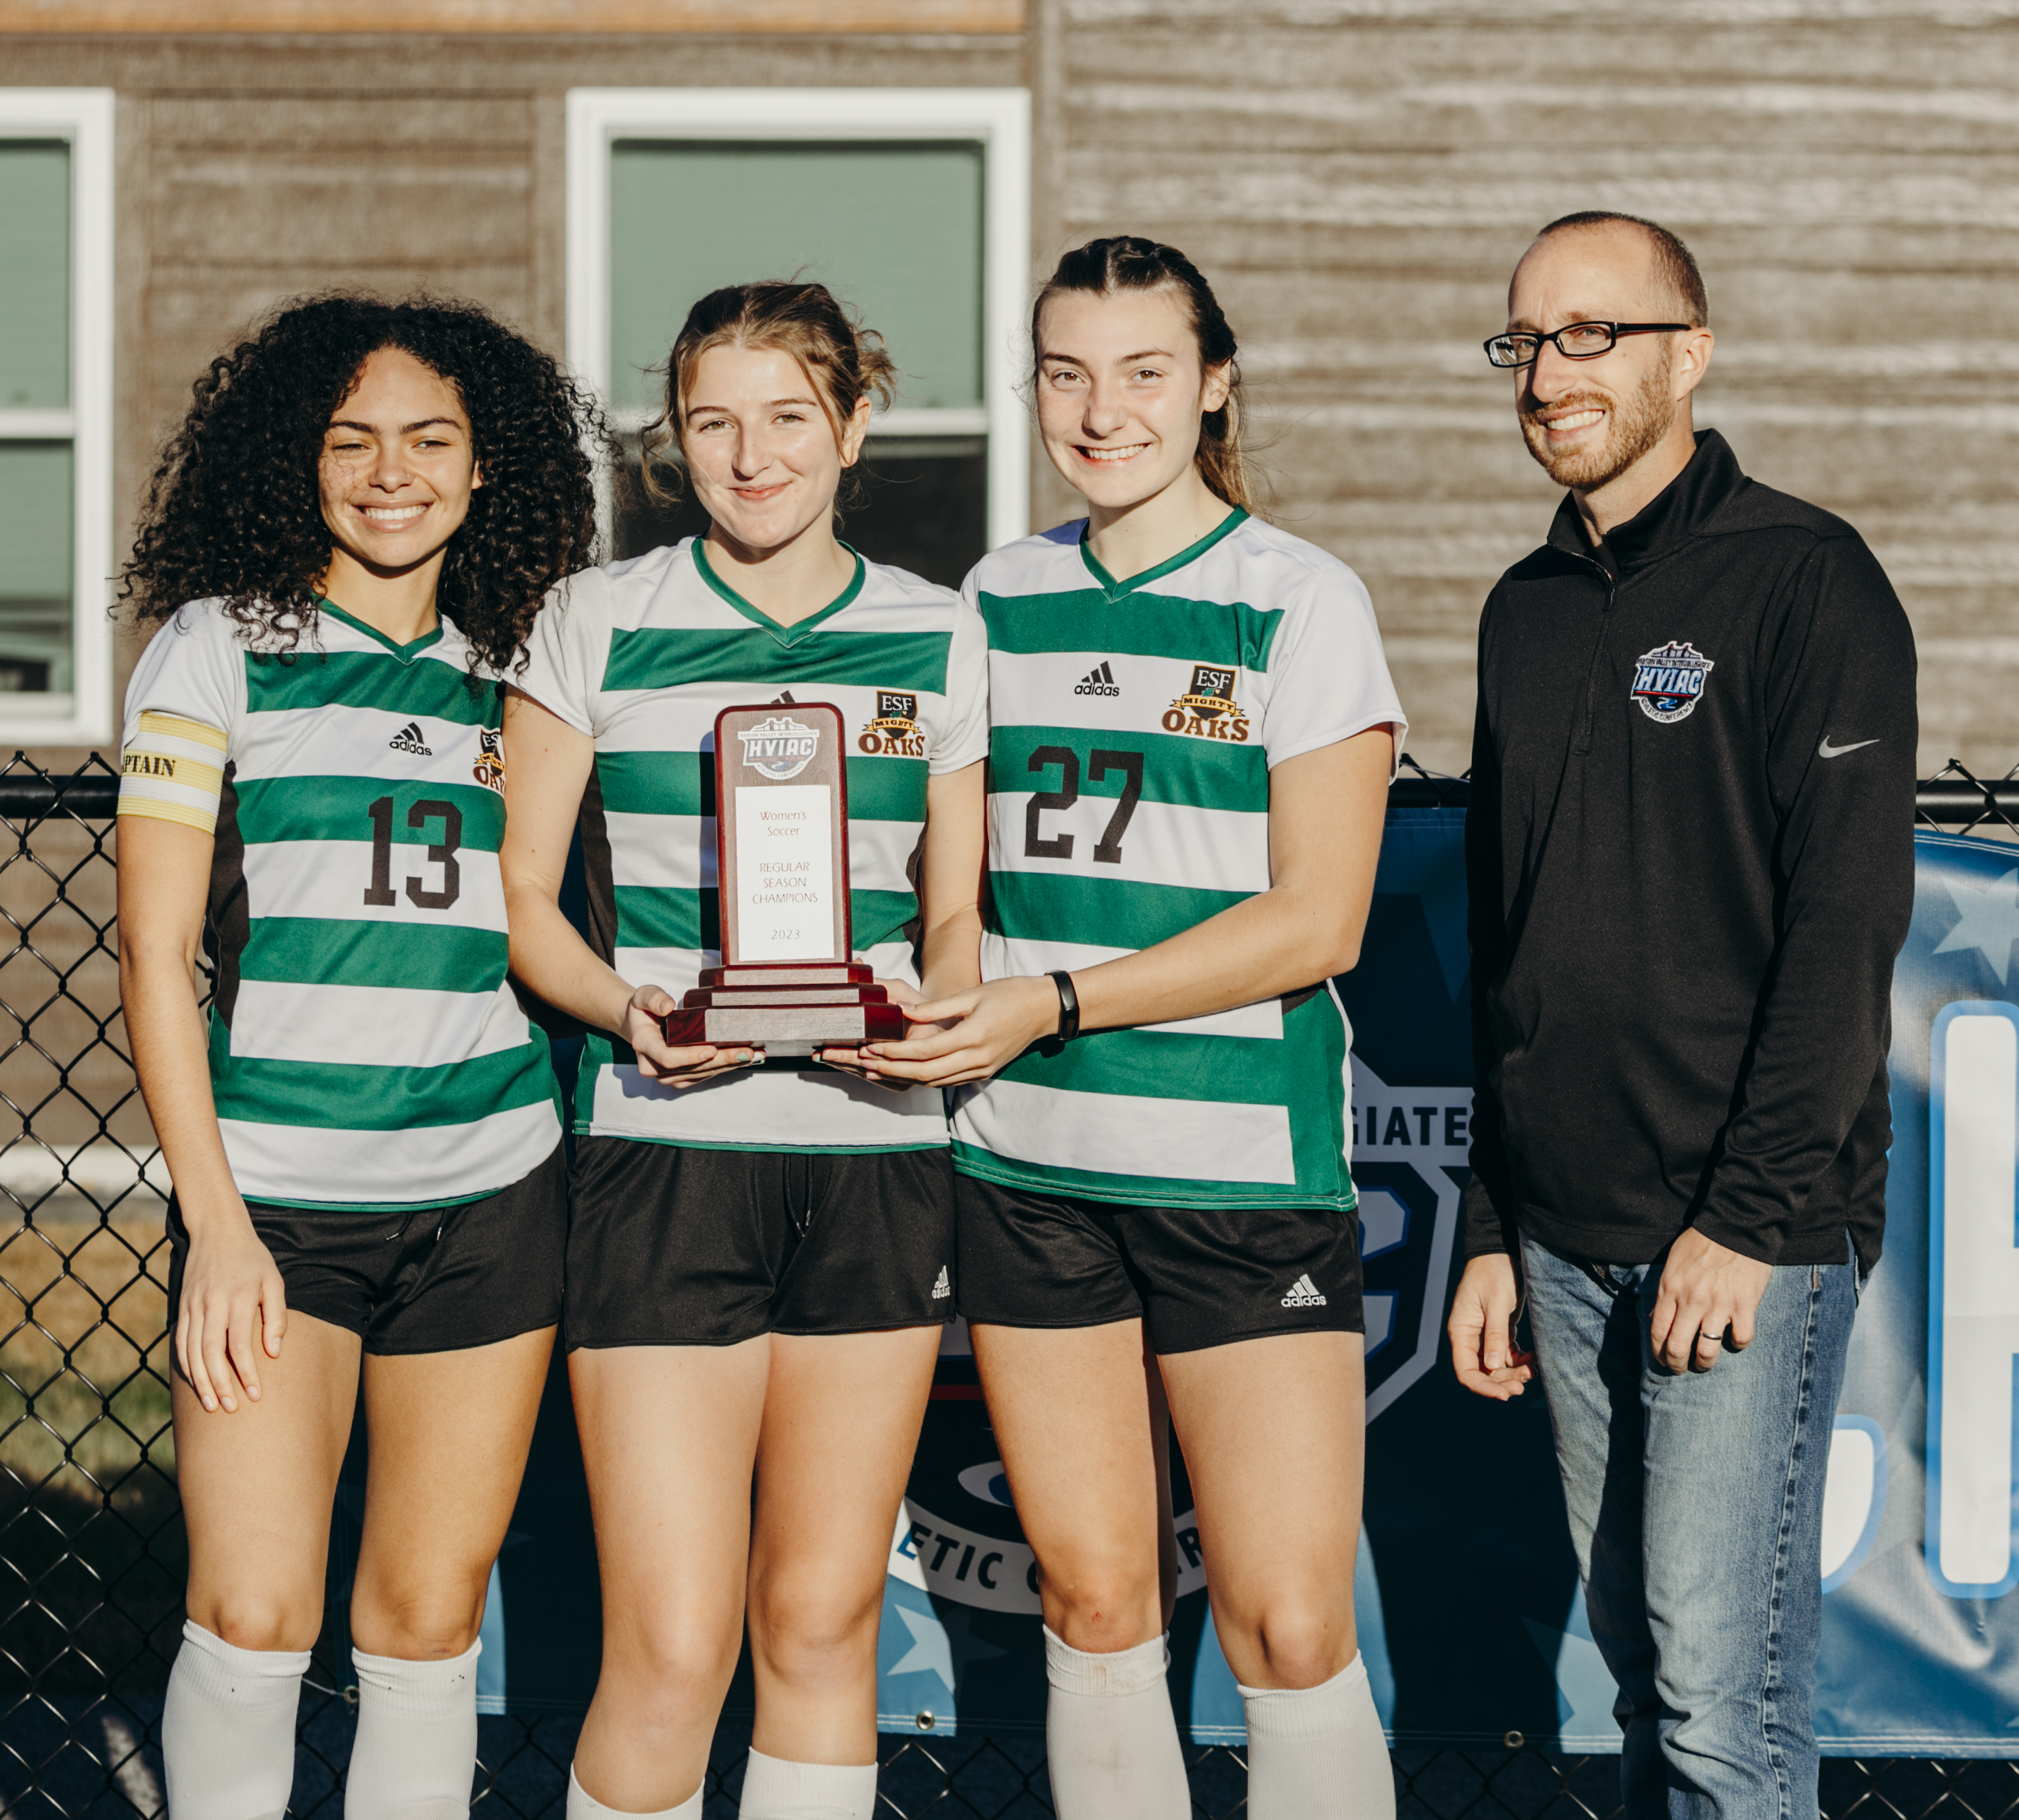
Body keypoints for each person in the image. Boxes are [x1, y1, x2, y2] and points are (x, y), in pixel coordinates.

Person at [858, 237, 1403, 1820]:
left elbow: (1320, 922)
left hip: (1240, 1176)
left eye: (1144, 371)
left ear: (1212, 383)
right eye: (1067, 372)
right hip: (1031, 1168)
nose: (1103, 410)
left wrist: (1057, 999)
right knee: (1094, 1607)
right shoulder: (993, 600)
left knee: (1286, 1623)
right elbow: (941, 878)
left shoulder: (1297, 600)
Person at [1444, 212, 1917, 1820]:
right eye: (1525, 341)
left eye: (1591, 334)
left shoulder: (1803, 578)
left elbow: (1843, 926)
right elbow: (1507, 943)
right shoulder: (1522, 607)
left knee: (1722, 1705)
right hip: (1564, 1243)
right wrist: (1497, 1227)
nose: (1549, 374)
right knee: (1647, 1681)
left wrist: (1752, 1215)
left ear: (1686, 355)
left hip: (1736, 1242)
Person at [497, 280, 988, 1820]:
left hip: (877, 1159)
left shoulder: (938, 628)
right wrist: (626, 1009)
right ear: (674, 443)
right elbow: (522, 901)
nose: (751, 453)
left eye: (787, 416)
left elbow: (956, 904)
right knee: (670, 1639)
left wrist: (935, 1016)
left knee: (823, 1623)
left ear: (852, 426)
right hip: (666, 1155)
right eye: (713, 421)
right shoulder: (597, 618)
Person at [115, 295, 605, 1820]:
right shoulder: (220, 649)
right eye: (352, 440)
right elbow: (155, 953)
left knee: (422, 1623)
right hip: (278, 1206)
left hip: (491, 1194)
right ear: (293, 460)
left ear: (487, 468)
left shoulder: (520, 666)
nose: (391, 473)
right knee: (257, 1611)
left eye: (431, 441)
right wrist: (216, 1228)